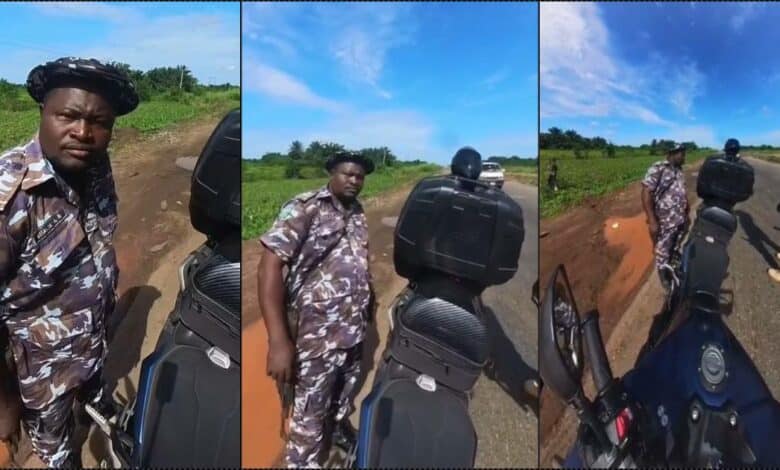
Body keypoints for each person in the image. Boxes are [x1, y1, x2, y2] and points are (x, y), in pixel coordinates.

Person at [0, 57, 138, 467]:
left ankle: (96, 404)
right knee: (59, 453)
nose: (84, 132)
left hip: (92, 338)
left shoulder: (95, 165)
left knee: (97, 396)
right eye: (69, 116)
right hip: (42, 373)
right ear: (43, 111)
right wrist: (5, 406)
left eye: (99, 122)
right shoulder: (12, 197)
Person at [259, 151, 377, 468]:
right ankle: (302, 461)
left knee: (342, 393)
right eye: (348, 174)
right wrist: (278, 341)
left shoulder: (357, 212)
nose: (354, 180)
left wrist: (368, 309)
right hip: (316, 336)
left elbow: (359, 263)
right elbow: (269, 268)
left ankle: (336, 428)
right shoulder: (306, 206)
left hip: (351, 329)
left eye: (360, 176)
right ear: (332, 173)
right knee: (309, 415)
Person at [641, 145, 689, 290]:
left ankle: (671, 261)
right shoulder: (659, 168)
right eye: (682, 154)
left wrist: (687, 211)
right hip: (665, 220)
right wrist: (652, 219)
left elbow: (682, 193)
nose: (684, 157)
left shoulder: (679, 171)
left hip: (679, 218)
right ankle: (664, 276)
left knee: (674, 243)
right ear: (672, 154)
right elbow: (646, 193)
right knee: (662, 248)